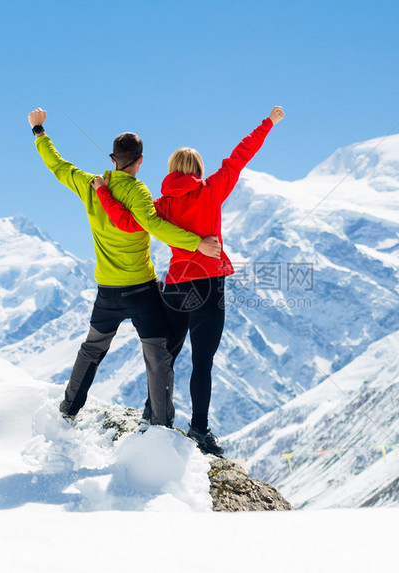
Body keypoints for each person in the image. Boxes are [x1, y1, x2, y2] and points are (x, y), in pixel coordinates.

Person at [94, 106, 285, 453]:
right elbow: (241, 154)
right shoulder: (212, 190)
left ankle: (151, 415)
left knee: (166, 354)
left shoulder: (159, 205)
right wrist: (268, 122)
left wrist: (104, 193)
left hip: (175, 287)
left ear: (170, 171)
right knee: (203, 361)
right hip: (208, 285)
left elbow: (126, 222)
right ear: (197, 170)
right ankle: (199, 429)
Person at [27, 107, 222, 427]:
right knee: (158, 356)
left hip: (107, 291)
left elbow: (57, 166)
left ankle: (68, 409)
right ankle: (160, 426)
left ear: (113, 158)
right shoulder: (138, 192)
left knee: (92, 349)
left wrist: (39, 131)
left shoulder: (89, 184)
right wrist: (196, 243)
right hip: (142, 289)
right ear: (140, 160)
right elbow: (155, 226)